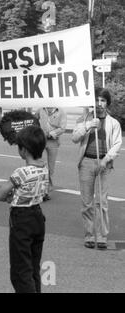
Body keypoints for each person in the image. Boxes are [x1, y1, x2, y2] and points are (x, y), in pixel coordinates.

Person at [0, 125, 49, 293]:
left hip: (22, 220)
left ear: (24, 150)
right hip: (38, 217)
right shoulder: (44, 169)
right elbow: (36, 191)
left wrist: (10, 196)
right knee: (33, 266)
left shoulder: (21, 172)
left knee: (20, 270)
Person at [71, 87, 122, 250]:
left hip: (104, 165)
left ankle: (101, 235)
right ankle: (89, 235)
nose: (99, 104)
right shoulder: (84, 119)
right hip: (86, 163)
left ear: (107, 103)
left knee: (102, 202)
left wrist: (105, 160)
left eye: (103, 100)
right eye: (97, 100)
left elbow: (117, 144)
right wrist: (88, 125)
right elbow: (74, 137)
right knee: (87, 203)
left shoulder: (113, 123)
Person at [35, 107, 67, 201]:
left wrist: (50, 134)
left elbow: (62, 128)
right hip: (41, 141)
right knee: (41, 165)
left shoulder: (61, 111)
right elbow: (34, 120)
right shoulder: (40, 109)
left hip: (53, 142)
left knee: (51, 168)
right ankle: (40, 190)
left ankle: (47, 190)